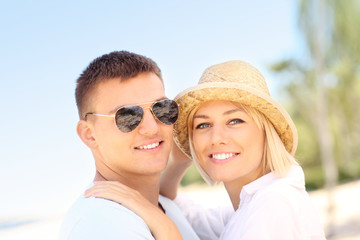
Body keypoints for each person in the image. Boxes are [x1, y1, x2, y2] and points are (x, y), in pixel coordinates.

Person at [86, 60, 326, 239]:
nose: (216, 138)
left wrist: (166, 229)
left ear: (266, 130)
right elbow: (183, 211)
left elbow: (175, 219)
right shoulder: (245, 208)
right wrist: (180, 160)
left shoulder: (273, 206)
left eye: (235, 121)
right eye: (203, 125)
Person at [58, 51, 200, 240]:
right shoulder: (103, 225)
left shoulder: (163, 207)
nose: (151, 128)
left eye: (162, 108)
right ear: (89, 135)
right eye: (127, 116)